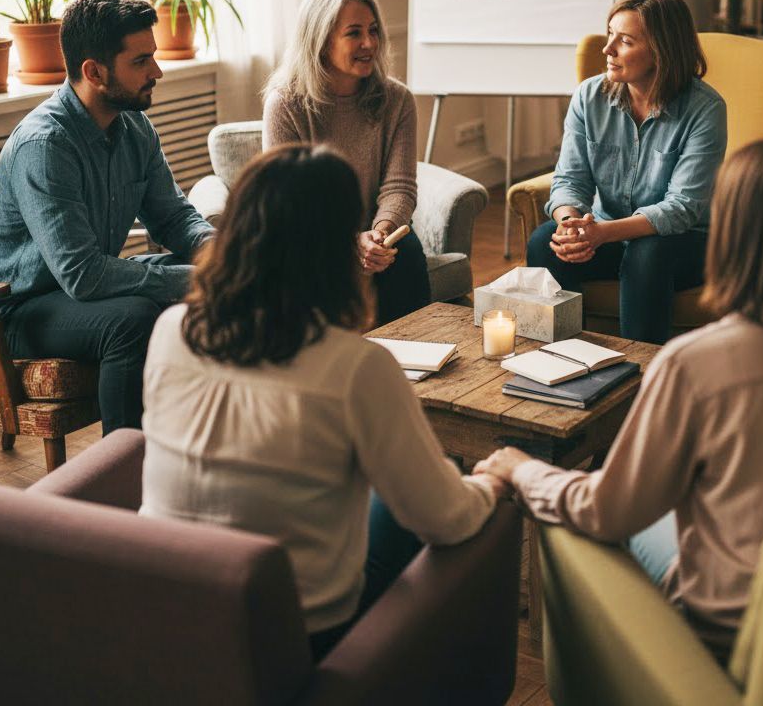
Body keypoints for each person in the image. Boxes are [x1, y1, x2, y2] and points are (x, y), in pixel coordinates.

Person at [476, 140, 763, 656]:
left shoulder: (696, 362)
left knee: (567, 516)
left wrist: (520, 469)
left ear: (731, 238)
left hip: (737, 637)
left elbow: (606, 511)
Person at [140, 144, 501, 659]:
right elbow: (449, 520)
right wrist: (491, 482)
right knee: (431, 494)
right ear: (335, 249)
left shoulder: (172, 330)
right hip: (298, 635)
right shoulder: (357, 367)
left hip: (164, 612)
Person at [0, 0, 213, 432]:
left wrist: (222, 255)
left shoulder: (134, 126)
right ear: (94, 71)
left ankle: (197, 443)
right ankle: (124, 474)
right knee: (132, 320)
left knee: (210, 278)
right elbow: (84, 276)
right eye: (141, 61)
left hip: (84, 289)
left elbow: (173, 217)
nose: (157, 71)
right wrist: (199, 277)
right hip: (21, 309)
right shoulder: (45, 145)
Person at [526, 0, 727, 343]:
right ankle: (560, 357)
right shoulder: (589, 97)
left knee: (647, 252)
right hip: (605, 232)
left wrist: (603, 234)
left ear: (661, 51)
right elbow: (570, 179)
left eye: (625, 41)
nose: (607, 50)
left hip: (687, 241)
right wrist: (571, 225)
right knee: (545, 241)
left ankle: (642, 376)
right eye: (609, 35)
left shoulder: (705, 109)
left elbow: (681, 208)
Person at [263, 0, 430, 326]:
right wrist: (348, 242)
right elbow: (290, 202)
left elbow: (400, 186)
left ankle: (418, 364)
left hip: (377, 231)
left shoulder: (397, 100)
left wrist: (380, 234)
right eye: (353, 33)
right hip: (312, 237)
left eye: (373, 31)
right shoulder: (286, 104)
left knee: (407, 253)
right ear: (320, 40)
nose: (369, 43)